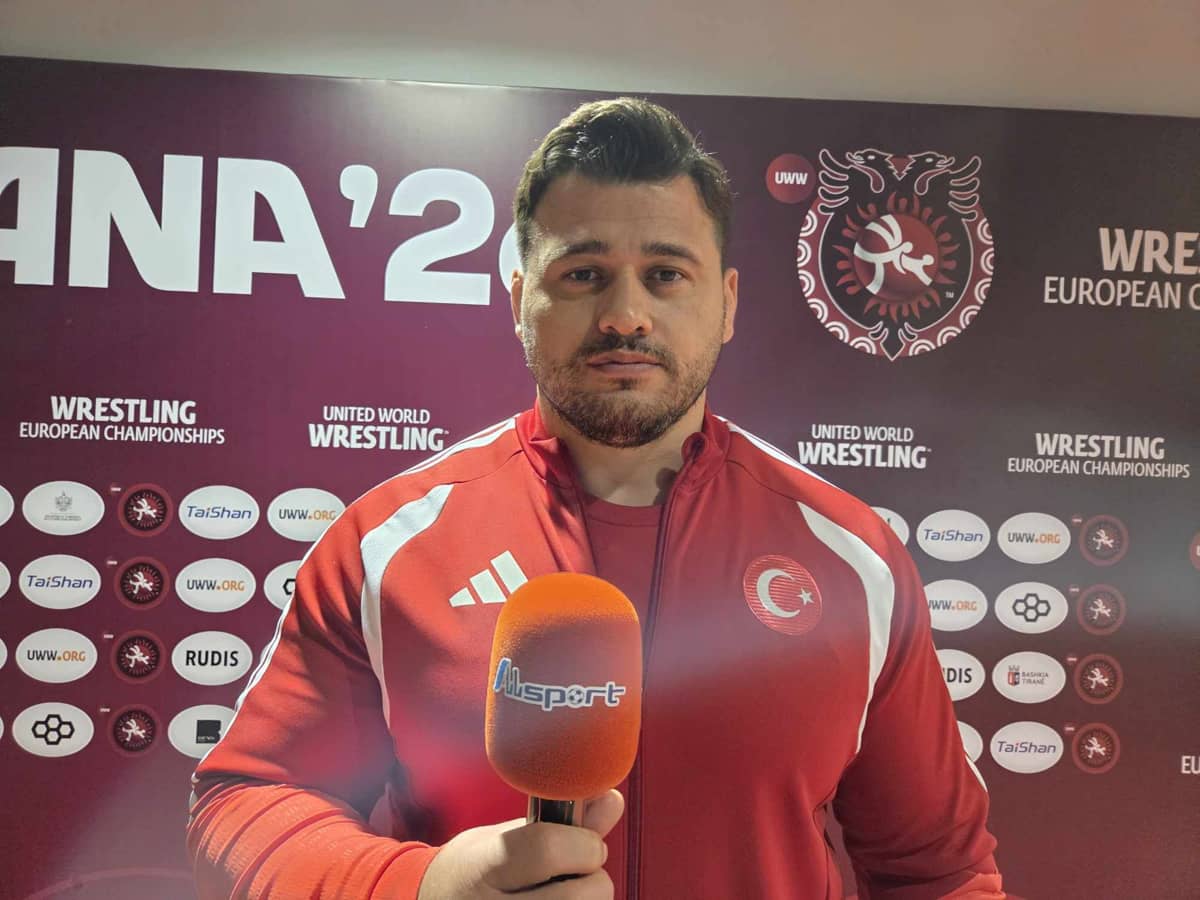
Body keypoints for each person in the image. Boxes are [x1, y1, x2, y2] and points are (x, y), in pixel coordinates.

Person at [188, 97, 1004, 899]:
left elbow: (941, 871)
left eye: (665, 274)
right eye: (583, 274)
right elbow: (249, 802)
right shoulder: (388, 544)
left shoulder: (852, 557)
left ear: (726, 304)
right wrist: (420, 887)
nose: (625, 315)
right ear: (519, 301)